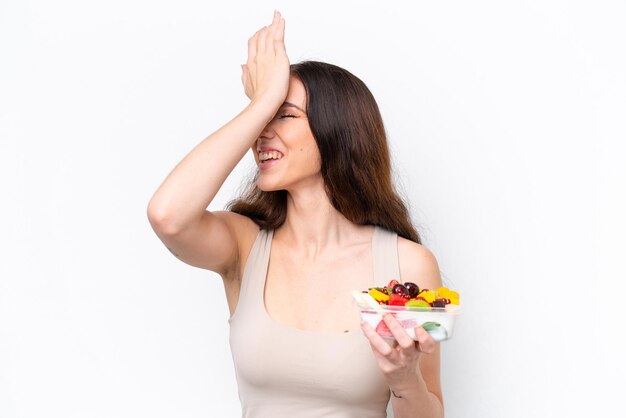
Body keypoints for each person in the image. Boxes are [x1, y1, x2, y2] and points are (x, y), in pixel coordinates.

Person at [147, 10, 444, 418]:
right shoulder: (244, 246)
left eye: (284, 115)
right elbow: (168, 215)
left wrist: (405, 381)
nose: (261, 133)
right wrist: (263, 100)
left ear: (337, 130)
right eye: (262, 118)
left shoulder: (409, 265)